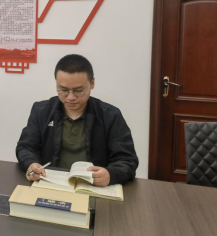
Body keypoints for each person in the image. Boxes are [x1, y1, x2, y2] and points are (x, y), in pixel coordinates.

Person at [16, 54, 138, 186]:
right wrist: (31, 164)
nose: (71, 97)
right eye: (63, 90)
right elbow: (25, 147)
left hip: (92, 186)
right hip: (51, 183)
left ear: (92, 83)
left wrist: (111, 174)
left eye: (78, 91)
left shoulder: (110, 115)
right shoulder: (42, 111)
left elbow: (127, 160)